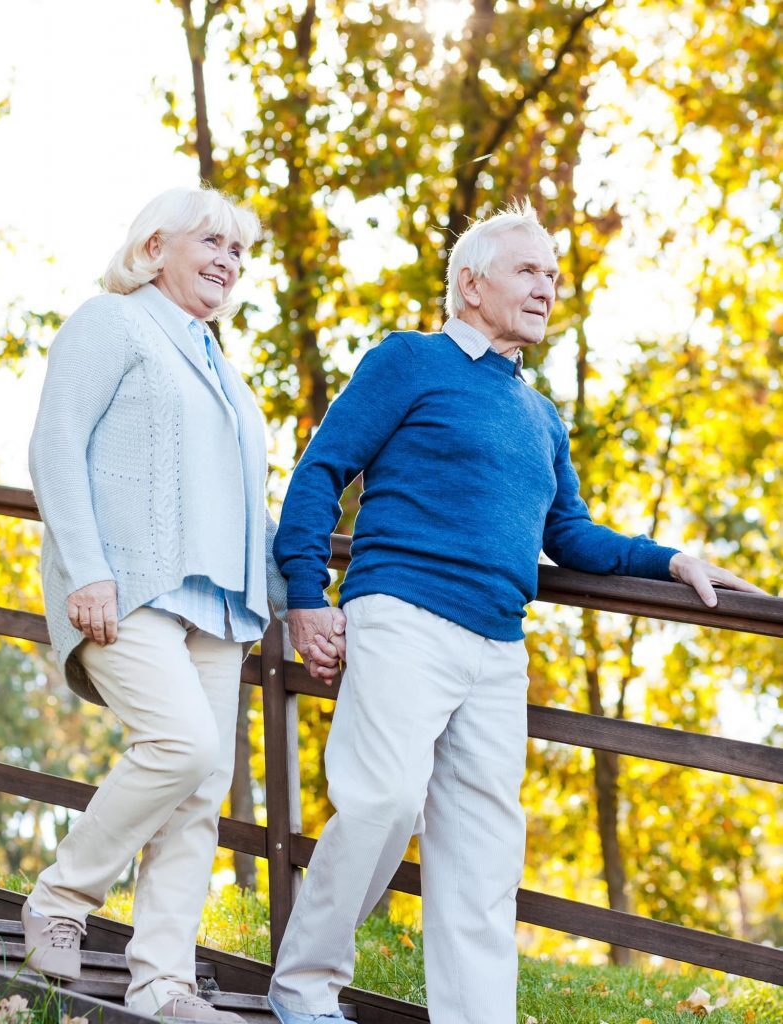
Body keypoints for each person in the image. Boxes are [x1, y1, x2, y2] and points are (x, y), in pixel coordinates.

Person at [265, 202, 765, 1024]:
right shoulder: (407, 361)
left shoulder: (539, 415)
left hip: (497, 647)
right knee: (382, 802)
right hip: (402, 615)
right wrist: (305, 600)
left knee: (484, 853)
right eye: (528, 271)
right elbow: (321, 474)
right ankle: (303, 990)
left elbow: (567, 533)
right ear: (470, 284)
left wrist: (668, 559)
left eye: (554, 276)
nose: (546, 288)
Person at [25, 186, 338, 1023]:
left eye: (239, 253)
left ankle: (161, 983)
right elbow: (56, 442)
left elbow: (243, 502)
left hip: (218, 605)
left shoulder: (217, 363)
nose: (229, 264)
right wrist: (85, 569)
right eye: (213, 243)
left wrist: (293, 602)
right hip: (123, 588)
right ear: (155, 246)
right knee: (181, 744)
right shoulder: (111, 322)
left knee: (201, 791)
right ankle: (59, 900)